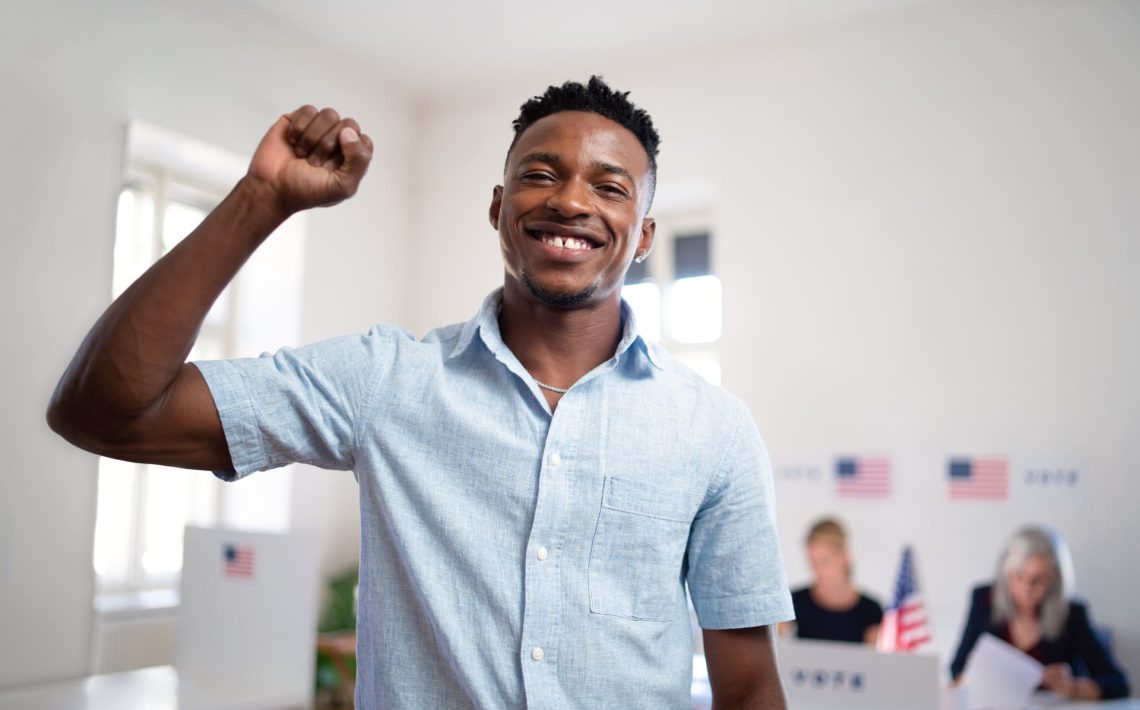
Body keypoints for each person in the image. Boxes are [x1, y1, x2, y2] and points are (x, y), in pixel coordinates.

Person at [48, 77, 795, 709]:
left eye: (609, 186)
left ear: (643, 235)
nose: (571, 201)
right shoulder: (387, 381)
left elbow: (751, 684)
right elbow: (106, 412)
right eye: (541, 174)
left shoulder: (713, 429)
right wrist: (260, 200)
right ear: (497, 207)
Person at [949, 526, 1129, 700]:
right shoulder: (984, 599)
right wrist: (970, 679)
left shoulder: (1072, 614)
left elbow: (1118, 683)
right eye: (1018, 576)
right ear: (1005, 574)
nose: (1026, 588)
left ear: (1055, 580)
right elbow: (957, 669)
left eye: (1039, 580)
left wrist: (1074, 688)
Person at [779, 517, 882, 645]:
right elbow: (773, 646)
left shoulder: (871, 610)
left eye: (825, 561)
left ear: (845, 557)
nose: (818, 571)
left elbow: (875, 661)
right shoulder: (794, 602)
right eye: (813, 562)